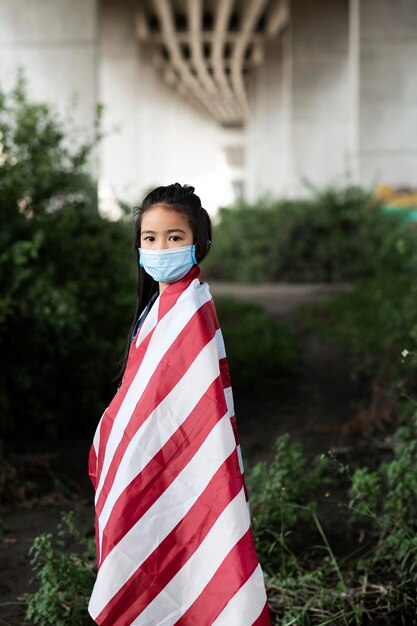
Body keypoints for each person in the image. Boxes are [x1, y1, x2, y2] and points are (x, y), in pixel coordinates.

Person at [87, 183, 271, 625]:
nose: (160, 248)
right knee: (154, 550)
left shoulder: (190, 306)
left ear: (198, 244)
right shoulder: (160, 305)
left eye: (175, 237)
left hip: (176, 463)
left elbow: (192, 404)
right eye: (149, 239)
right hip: (149, 459)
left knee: (188, 548)